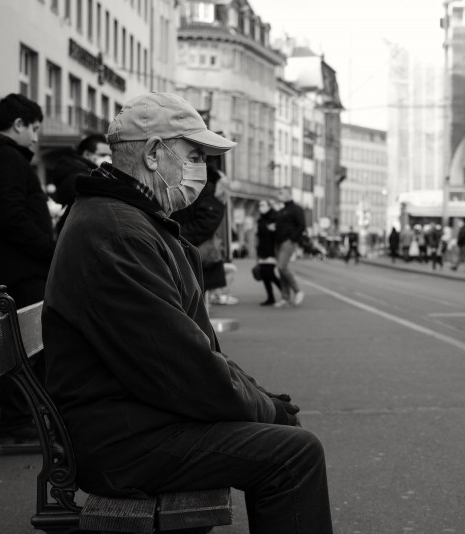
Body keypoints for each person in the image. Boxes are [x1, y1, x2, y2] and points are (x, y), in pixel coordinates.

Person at [42, 92, 332, 533]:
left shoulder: (122, 219)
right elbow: (181, 365)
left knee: (285, 441)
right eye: (194, 155)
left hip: (127, 420)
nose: (202, 170)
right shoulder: (119, 231)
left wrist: (258, 397)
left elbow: (186, 353)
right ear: (155, 154)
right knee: (295, 456)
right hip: (123, 441)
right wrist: (266, 409)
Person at [0, 93, 54, 444]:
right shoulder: (6, 159)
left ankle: (24, 418)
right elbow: (12, 218)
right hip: (22, 270)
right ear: (18, 124)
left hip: (14, 269)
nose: (35, 137)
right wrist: (52, 251)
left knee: (25, 347)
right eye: (33, 128)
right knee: (25, 349)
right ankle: (17, 423)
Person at [171, 165, 236, 305]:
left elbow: (206, 223)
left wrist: (176, 233)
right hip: (190, 247)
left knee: (192, 296)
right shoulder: (204, 190)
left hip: (194, 248)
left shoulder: (207, 191)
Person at [50, 133, 112, 207]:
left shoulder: (72, 170)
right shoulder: (83, 178)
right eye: (103, 155)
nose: (108, 159)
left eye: (110, 156)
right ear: (87, 154)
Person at [273, 187, 306, 306]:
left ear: (289, 194)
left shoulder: (296, 209)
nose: (279, 195)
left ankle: (297, 290)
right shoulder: (282, 209)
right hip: (279, 241)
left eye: (281, 193)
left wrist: (292, 238)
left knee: (282, 266)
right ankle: (285, 297)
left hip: (288, 241)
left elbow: (301, 225)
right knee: (281, 269)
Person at [255, 199, 282, 306]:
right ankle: (270, 297)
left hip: (271, 249)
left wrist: (274, 229)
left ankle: (285, 292)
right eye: (260, 205)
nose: (261, 207)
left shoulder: (275, 217)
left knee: (270, 274)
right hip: (262, 249)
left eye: (263, 205)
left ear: (269, 206)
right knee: (265, 275)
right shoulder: (261, 219)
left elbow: (279, 232)